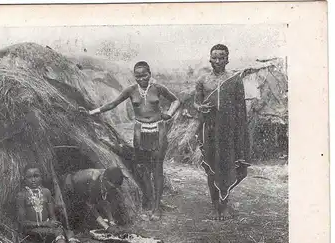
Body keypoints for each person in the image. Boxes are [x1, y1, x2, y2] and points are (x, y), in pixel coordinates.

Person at [89, 61, 181, 219]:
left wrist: (169, 114)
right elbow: (113, 103)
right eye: (137, 76)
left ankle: (157, 208)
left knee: (157, 169)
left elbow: (176, 100)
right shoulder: (131, 90)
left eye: (144, 75)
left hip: (158, 129)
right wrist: (92, 112)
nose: (141, 79)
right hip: (140, 131)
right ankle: (150, 201)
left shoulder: (158, 88)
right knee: (143, 168)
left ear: (150, 74)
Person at [194, 44, 251, 220]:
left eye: (221, 57)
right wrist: (200, 107)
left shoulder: (234, 79)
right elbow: (196, 103)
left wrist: (240, 132)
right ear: (209, 59)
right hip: (210, 129)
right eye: (214, 57)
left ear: (227, 59)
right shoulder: (203, 80)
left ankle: (223, 202)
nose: (217, 61)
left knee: (231, 168)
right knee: (212, 168)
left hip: (229, 131)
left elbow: (241, 107)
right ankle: (216, 205)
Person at [16, 164, 91, 243]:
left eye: (36, 176)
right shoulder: (21, 195)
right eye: (30, 177)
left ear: (41, 177)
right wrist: (44, 224)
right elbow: (22, 223)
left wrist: (55, 223)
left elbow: (52, 217)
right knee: (58, 231)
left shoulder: (46, 192)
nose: (33, 180)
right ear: (24, 178)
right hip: (31, 230)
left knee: (68, 231)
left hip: (47, 229)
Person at [62, 167, 127, 234]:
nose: (112, 189)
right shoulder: (93, 182)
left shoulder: (106, 176)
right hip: (70, 185)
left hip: (82, 185)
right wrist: (106, 226)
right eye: (112, 187)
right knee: (74, 221)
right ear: (105, 180)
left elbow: (105, 201)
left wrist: (111, 221)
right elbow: (90, 206)